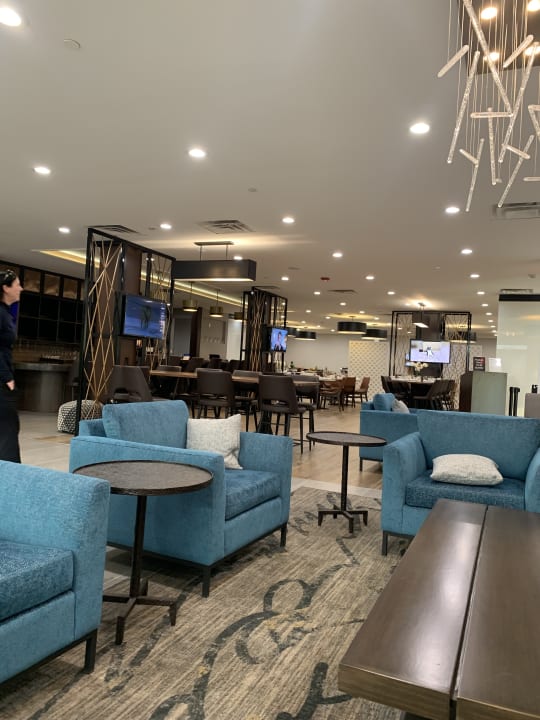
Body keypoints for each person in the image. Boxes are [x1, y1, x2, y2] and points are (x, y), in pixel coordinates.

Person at [0, 269, 23, 462]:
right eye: (17, 285)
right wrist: (7, 378)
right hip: (1, 382)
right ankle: (12, 474)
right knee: (8, 432)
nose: (21, 288)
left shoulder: (6, 313)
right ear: (6, 288)